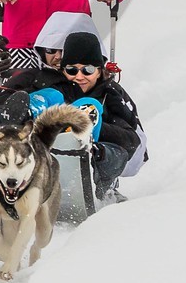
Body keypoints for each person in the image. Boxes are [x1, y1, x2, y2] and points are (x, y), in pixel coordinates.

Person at [59, 27, 146, 198]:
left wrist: (96, 127)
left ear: (99, 70)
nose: (79, 76)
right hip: (57, 164)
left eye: (88, 70)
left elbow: (131, 140)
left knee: (114, 152)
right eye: (71, 70)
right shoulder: (56, 89)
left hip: (99, 164)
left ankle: (102, 190)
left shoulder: (109, 95)